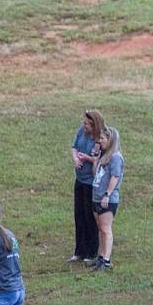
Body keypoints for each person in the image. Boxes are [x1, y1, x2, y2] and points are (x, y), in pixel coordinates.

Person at [69, 110, 104, 263]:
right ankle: (79, 251)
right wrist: (76, 159)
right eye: (83, 123)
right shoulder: (81, 132)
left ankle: (91, 252)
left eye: (87, 124)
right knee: (79, 215)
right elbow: (74, 147)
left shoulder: (100, 139)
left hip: (92, 183)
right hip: (80, 180)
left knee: (90, 217)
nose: (84, 126)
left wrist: (88, 158)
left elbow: (100, 160)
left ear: (94, 125)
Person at [90, 127, 123, 270]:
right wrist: (95, 161)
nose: (100, 141)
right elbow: (95, 174)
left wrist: (107, 194)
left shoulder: (116, 157)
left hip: (107, 199)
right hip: (96, 196)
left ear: (110, 140)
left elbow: (115, 177)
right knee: (100, 228)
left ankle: (106, 260)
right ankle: (101, 256)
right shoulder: (104, 156)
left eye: (103, 138)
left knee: (106, 228)